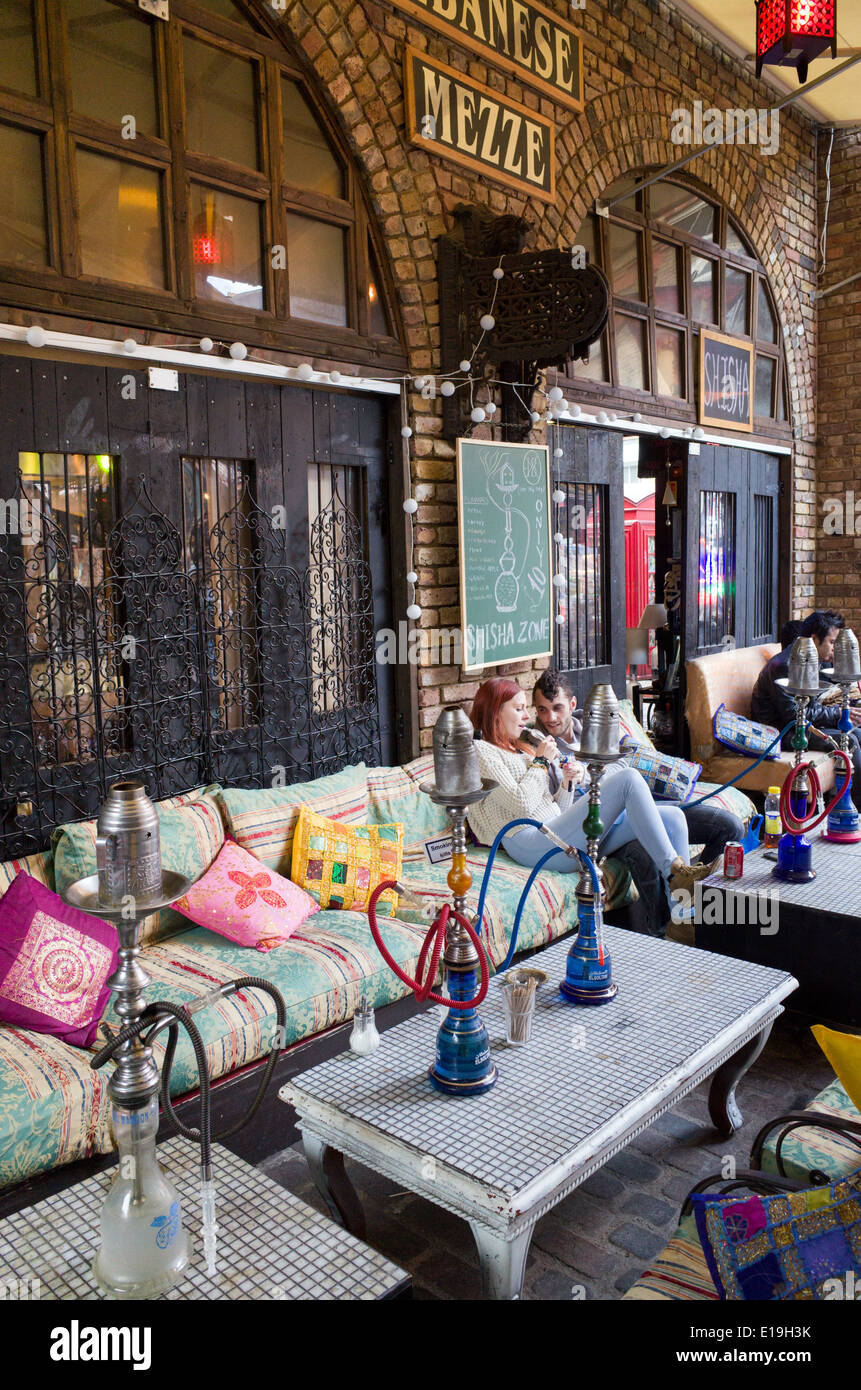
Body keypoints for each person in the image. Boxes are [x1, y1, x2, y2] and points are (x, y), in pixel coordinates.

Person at [466, 678, 717, 932]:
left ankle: (683, 922)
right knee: (628, 780)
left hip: (552, 833)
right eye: (518, 708)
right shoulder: (481, 751)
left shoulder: (519, 750)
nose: (527, 715)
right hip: (526, 840)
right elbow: (520, 805)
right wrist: (541, 762)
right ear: (496, 711)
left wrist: (567, 783)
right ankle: (675, 874)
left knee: (674, 818)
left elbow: (557, 811)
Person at [529, 668, 742, 935]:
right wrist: (568, 782)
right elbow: (557, 814)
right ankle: (662, 932)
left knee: (728, 827)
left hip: (638, 806)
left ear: (572, 704)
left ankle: (692, 916)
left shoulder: (596, 725)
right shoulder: (537, 747)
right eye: (542, 710)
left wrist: (589, 775)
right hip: (598, 829)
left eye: (557, 708)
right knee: (645, 854)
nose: (550, 717)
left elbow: (625, 765)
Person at [751, 610, 861, 810]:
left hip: (802, 725)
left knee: (857, 733)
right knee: (850, 740)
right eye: (832, 642)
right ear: (814, 638)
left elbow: (812, 706)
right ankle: (850, 809)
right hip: (781, 733)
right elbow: (794, 715)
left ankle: (848, 804)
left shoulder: (812, 658)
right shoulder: (784, 665)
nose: (835, 649)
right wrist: (838, 714)